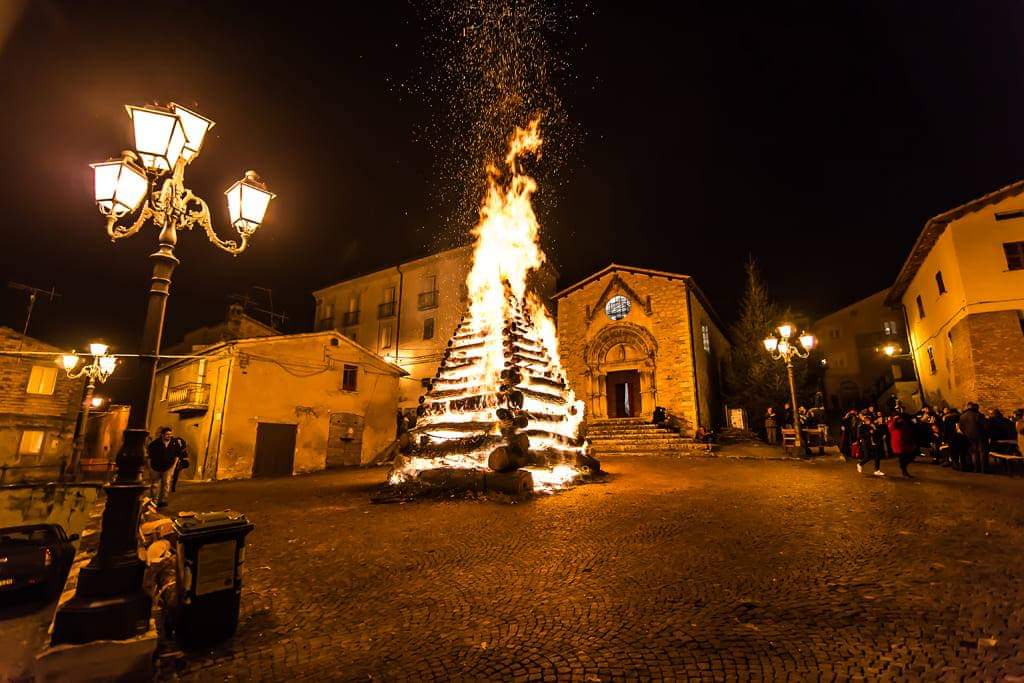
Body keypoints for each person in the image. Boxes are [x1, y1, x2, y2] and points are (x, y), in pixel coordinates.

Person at [147, 426, 183, 507]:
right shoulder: (154, 444)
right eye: (167, 434)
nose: (169, 436)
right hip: (156, 467)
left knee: (166, 483)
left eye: (170, 434)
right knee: (155, 485)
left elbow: (177, 455)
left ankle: (163, 500)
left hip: (168, 467)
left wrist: (173, 467)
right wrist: (150, 469)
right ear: (162, 435)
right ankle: (154, 501)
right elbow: (149, 457)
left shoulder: (174, 443)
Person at [958, 402, 988, 474]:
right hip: (980, 435)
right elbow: (985, 426)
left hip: (969, 436)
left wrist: (966, 433)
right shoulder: (978, 415)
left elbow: (961, 427)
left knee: (974, 452)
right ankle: (984, 469)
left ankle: (976, 468)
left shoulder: (962, 416)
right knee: (982, 452)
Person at [888, 411, 917, 478]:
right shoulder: (893, 422)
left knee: (912, 455)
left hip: (907, 441)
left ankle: (903, 468)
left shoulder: (904, 422)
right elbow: (891, 427)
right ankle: (904, 471)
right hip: (899, 443)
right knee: (903, 457)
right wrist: (895, 420)